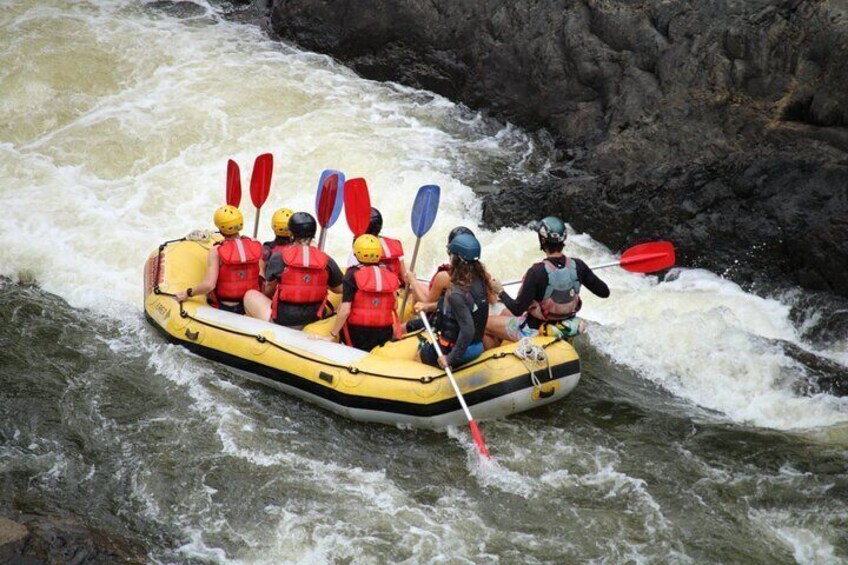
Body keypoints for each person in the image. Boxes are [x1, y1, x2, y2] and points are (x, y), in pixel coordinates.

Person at [484, 216, 609, 346]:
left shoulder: (536, 271)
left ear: (543, 240)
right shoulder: (579, 265)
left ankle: (496, 359)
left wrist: (500, 291)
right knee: (504, 312)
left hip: (534, 330)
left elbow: (517, 310)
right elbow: (604, 292)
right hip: (565, 323)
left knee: (485, 323)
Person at [244, 212, 343, 328]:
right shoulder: (326, 260)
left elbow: (268, 292)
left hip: (283, 321)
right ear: (313, 234)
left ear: (290, 234)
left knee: (249, 295)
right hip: (314, 319)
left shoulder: (279, 258)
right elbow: (341, 289)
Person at [417, 233, 491, 369]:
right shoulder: (481, 279)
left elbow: (468, 330)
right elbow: (460, 308)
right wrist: (427, 308)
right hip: (478, 346)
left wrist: (450, 359)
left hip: (460, 352)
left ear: (456, 258)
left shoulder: (457, 292)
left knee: (420, 353)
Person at [175, 205, 264, 315]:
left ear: (220, 228)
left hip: (228, 307)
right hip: (251, 305)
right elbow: (261, 275)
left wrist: (187, 293)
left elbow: (209, 285)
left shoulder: (216, 251)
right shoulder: (255, 244)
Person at [323, 234, 400, 351]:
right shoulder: (389, 273)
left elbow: (345, 310)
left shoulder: (351, 274)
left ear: (356, 253)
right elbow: (395, 305)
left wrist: (332, 335)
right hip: (384, 333)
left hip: (357, 335)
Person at [348, 207, 409, 285]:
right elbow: (404, 278)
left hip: (366, 291)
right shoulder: (393, 245)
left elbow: (351, 277)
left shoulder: (358, 248)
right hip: (389, 291)